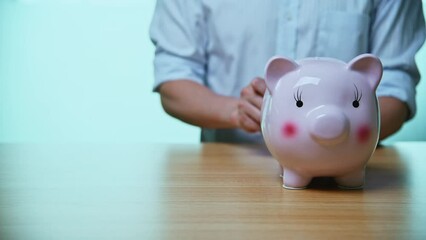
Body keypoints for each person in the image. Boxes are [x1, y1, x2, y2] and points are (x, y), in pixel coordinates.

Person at [150, 0, 426, 143]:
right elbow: (175, 80)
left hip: (352, 174)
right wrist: (236, 111)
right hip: (229, 172)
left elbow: (394, 87)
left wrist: (340, 132)